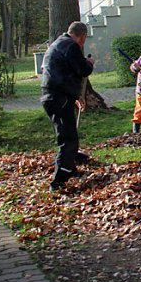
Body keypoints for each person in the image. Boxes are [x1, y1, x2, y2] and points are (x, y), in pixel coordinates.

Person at [41, 21, 95, 191]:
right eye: (84, 38)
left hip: (53, 96)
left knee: (68, 134)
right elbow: (83, 70)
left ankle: (70, 168)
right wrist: (89, 63)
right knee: (68, 140)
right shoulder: (71, 46)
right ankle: (58, 181)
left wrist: (75, 96)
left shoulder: (58, 43)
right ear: (82, 36)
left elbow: (62, 73)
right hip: (58, 98)